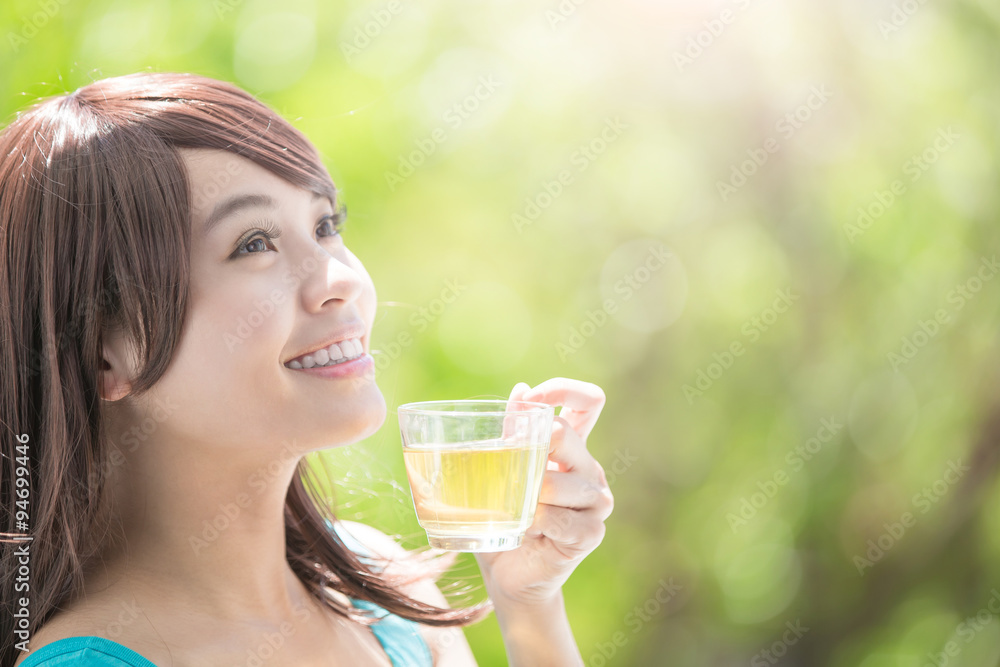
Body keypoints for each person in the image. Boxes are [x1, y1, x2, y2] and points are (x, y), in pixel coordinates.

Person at [0, 72, 614, 666]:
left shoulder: (382, 597)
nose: (341, 279)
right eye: (254, 243)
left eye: (325, 225)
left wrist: (527, 607)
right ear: (106, 354)